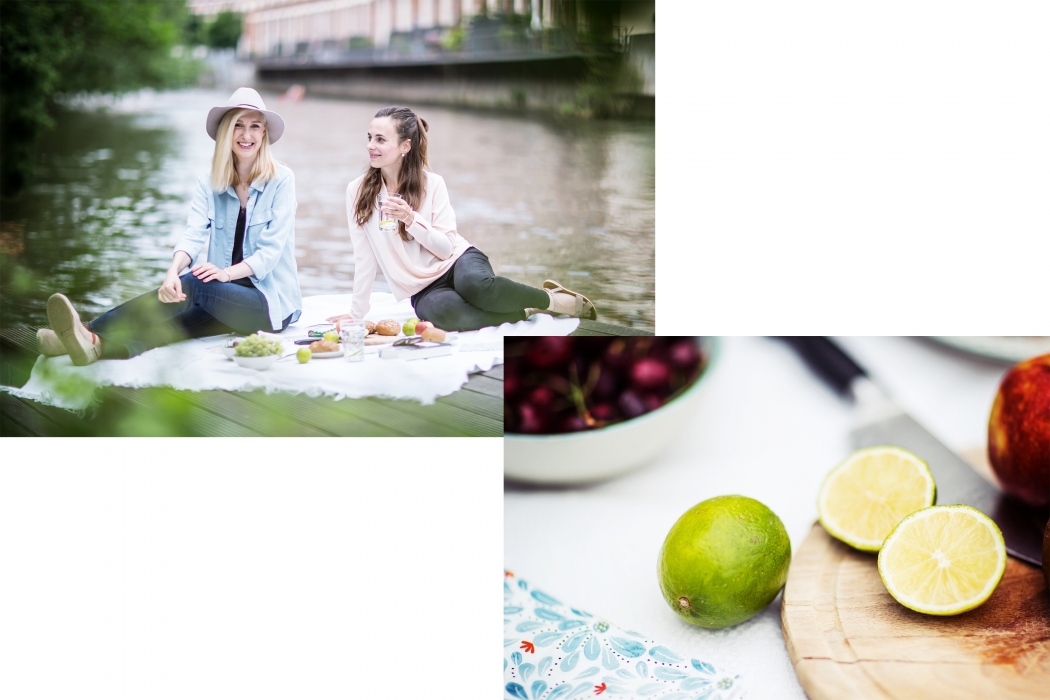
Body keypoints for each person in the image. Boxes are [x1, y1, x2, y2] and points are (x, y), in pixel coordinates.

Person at [37, 87, 302, 365]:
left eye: (254, 126)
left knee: (199, 282)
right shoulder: (209, 182)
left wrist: (224, 274)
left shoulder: (282, 180)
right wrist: (172, 272)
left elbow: (269, 254)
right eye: (238, 125)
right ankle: (95, 345)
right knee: (171, 327)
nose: (246, 135)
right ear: (226, 132)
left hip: (269, 306)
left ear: (264, 134)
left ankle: (88, 329)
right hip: (223, 300)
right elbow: (193, 234)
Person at [337, 106, 597, 332]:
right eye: (370, 137)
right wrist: (356, 314)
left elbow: (445, 248)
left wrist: (411, 219)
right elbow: (364, 257)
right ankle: (527, 312)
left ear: (406, 146)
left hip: (456, 260)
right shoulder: (358, 192)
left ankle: (551, 300)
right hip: (423, 287)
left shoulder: (432, 184)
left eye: (381, 139)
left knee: (477, 286)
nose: (371, 145)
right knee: (447, 314)